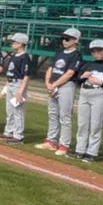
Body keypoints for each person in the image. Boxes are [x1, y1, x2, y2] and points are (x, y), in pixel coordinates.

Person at [37, 27, 83, 155]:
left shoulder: (76, 55)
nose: (64, 41)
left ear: (76, 40)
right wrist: (48, 82)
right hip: (53, 85)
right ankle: (51, 141)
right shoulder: (59, 53)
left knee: (65, 116)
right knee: (52, 114)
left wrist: (54, 84)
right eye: (63, 38)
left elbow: (70, 73)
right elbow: (51, 68)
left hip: (66, 86)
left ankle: (64, 145)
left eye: (68, 39)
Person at [73, 40, 103, 161]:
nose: (96, 53)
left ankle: (92, 152)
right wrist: (83, 77)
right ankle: (80, 150)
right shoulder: (88, 64)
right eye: (93, 51)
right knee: (82, 124)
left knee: (96, 125)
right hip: (84, 94)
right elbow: (77, 80)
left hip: (99, 94)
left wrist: (101, 83)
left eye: (99, 50)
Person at [0, 33, 32, 144]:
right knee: (9, 110)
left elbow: (26, 76)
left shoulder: (25, 57)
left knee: (18, 111)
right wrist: (5, 89)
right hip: (10, 83)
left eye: (14, 42)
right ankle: (8, 131)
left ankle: (18, 135)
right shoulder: (14, 56)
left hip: (18, 84)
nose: (12, 44)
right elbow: (10, 74)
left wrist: (20, 92)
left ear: (21, 44)